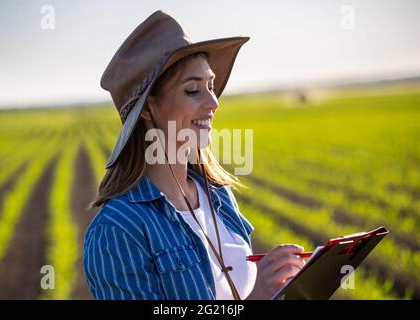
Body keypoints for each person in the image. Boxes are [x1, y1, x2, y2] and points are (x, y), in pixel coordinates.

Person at [84, 10, 306, 300]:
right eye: (193, 90)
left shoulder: (218, 195)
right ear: (148, 109)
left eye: (211, 86)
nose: (213, 102)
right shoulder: (117, 230)